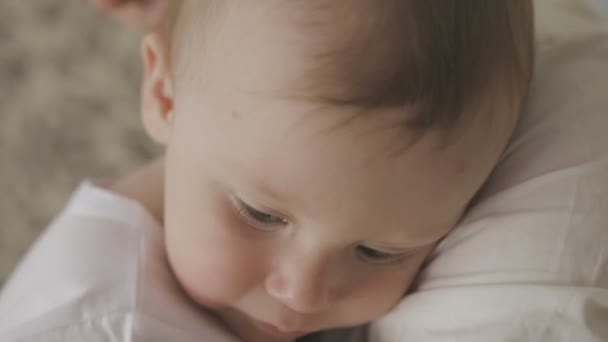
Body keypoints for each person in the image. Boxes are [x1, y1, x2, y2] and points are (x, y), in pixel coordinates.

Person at [2, 1, 535, 341]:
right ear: (166, 96)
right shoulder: (103, 328)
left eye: (380, 252)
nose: (303, 294)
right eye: (259, 214)